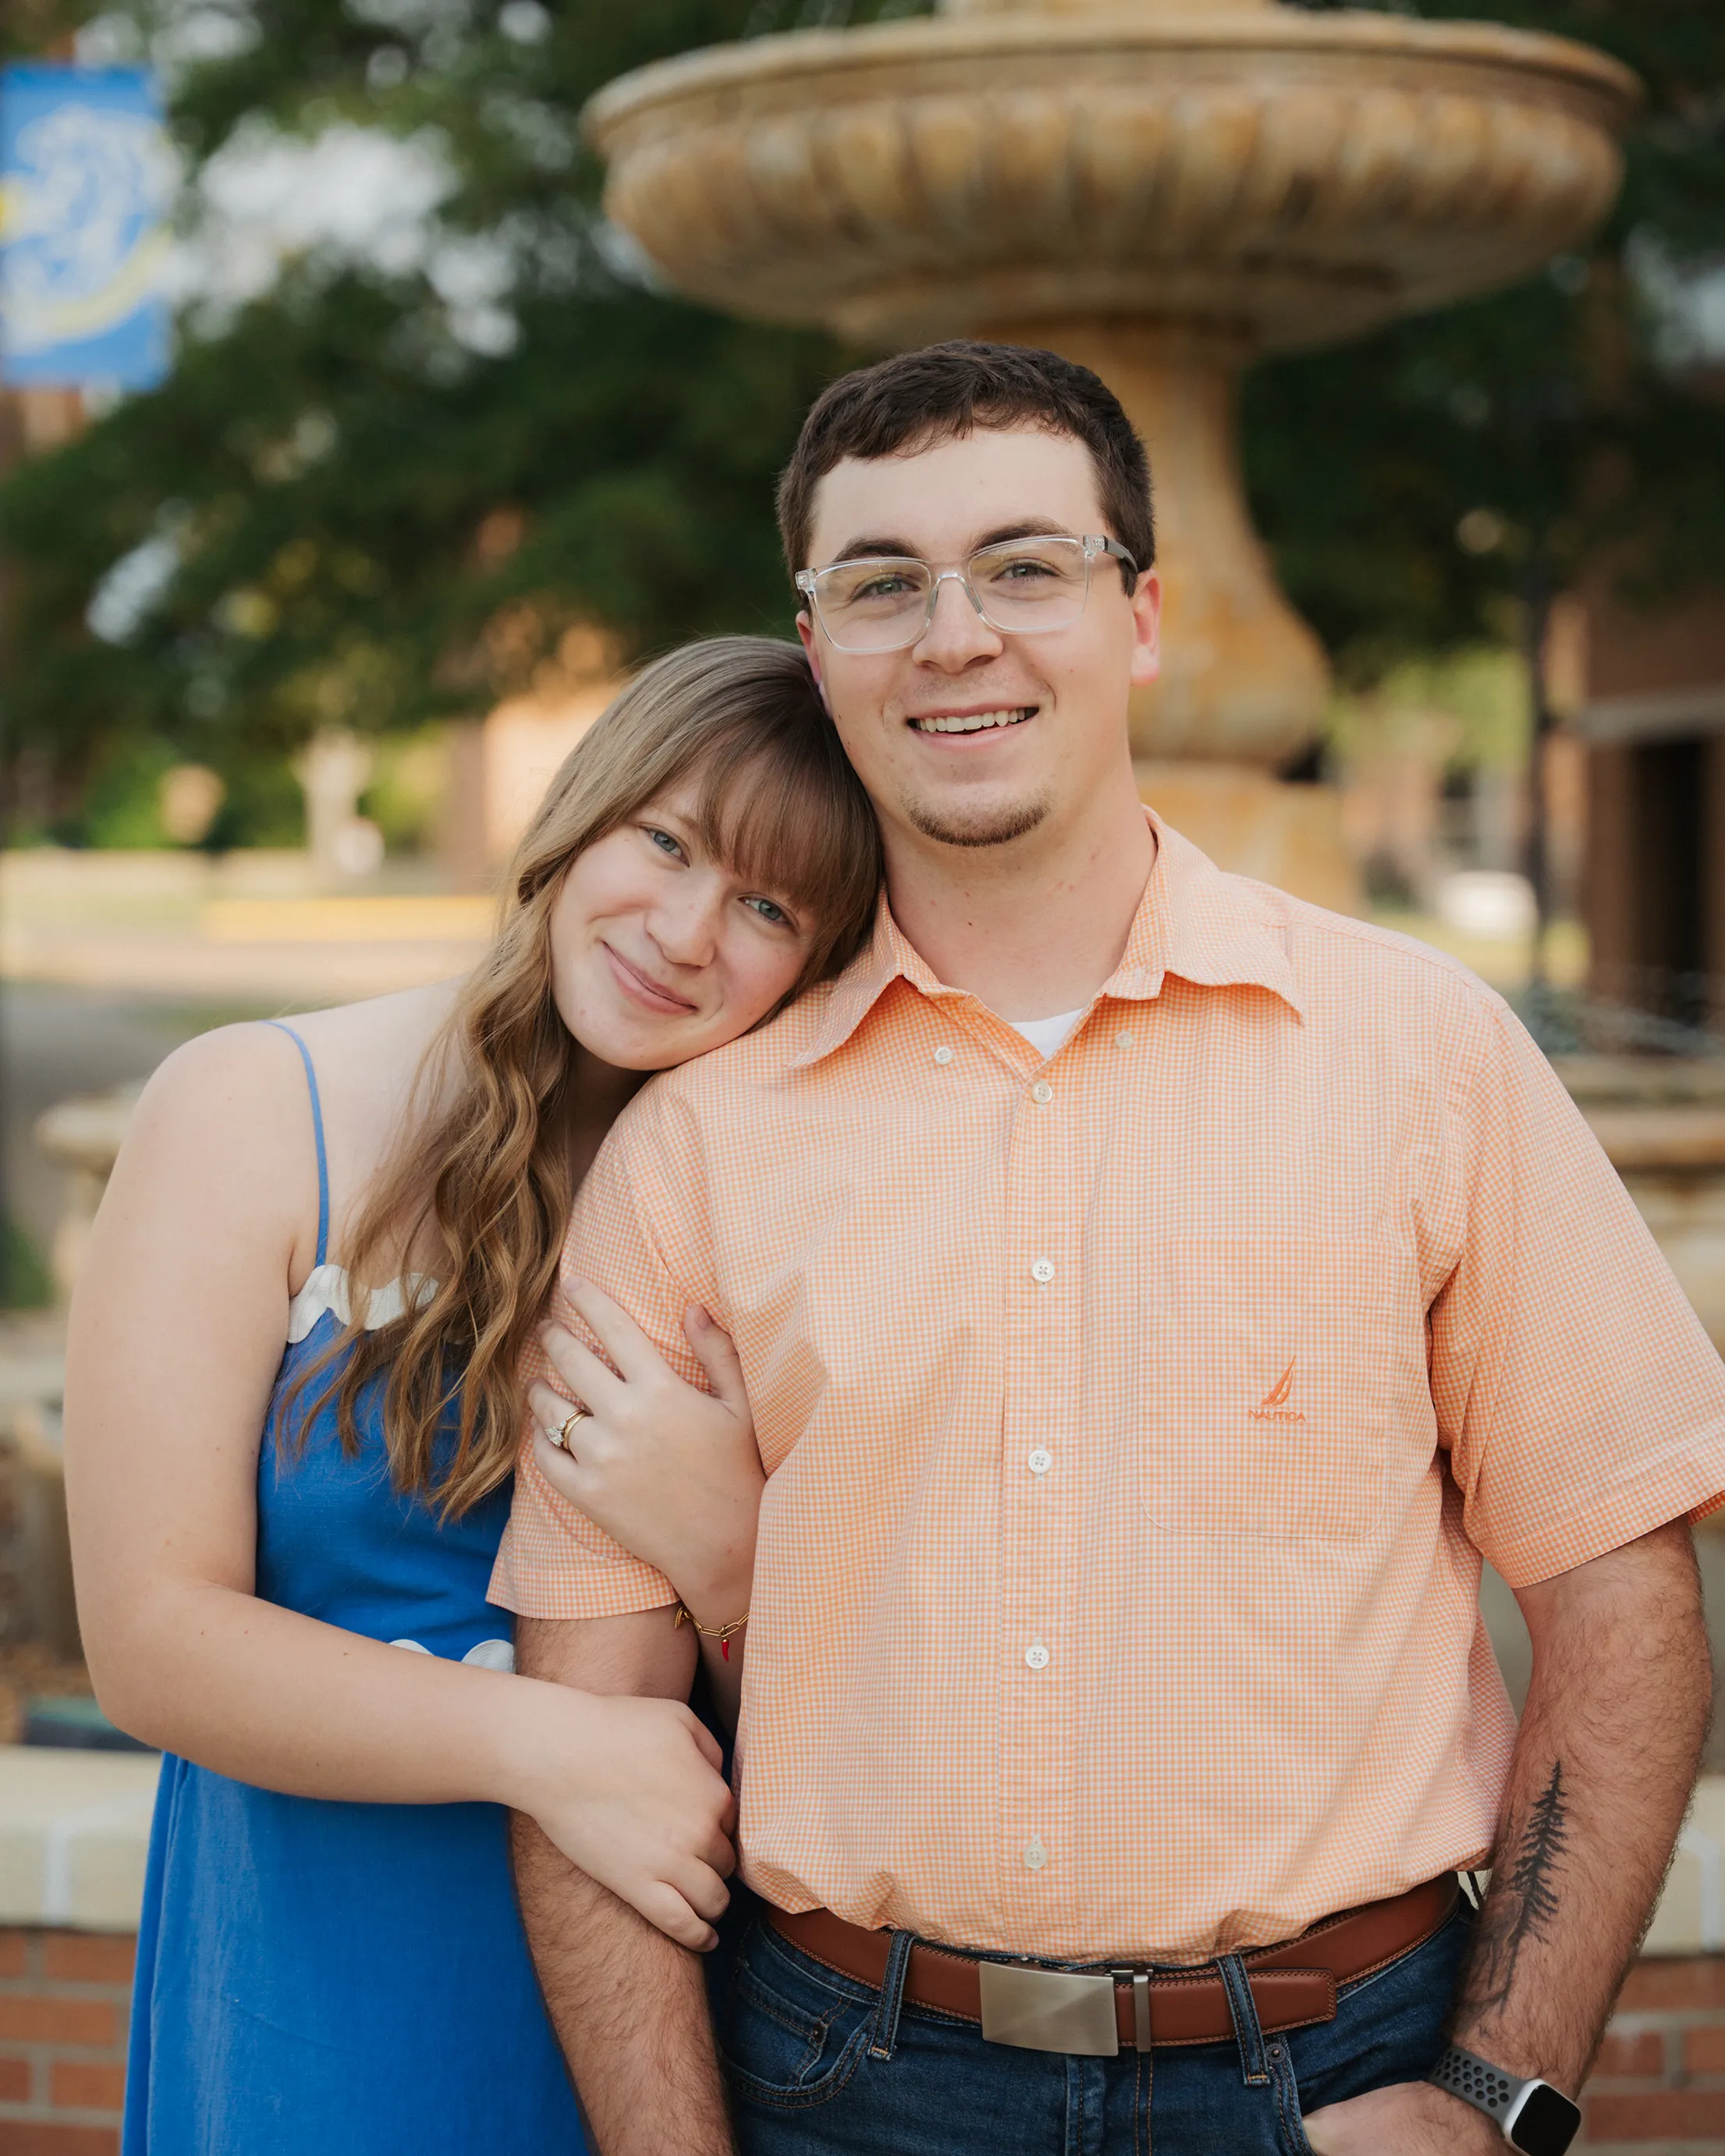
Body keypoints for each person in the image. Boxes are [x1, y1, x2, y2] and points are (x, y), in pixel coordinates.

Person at [496, 341, 1725, 2156]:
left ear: (1138, 618)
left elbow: (1620, 1608)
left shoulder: (1419, 1052)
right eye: (880, 584)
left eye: (1023, 565)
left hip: (1338, 2070)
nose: (954, 632)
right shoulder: (697, 1146)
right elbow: (583, 1766)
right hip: (848, 2081)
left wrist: (1495, 2097)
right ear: (819, 646)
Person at [63, 637, 882, 2156]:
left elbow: (891, 1715)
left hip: (675, 2014)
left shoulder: (782, 1224)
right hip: (324, 1987)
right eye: (669, 843)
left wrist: (728, 1558)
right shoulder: (251, 1110)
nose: (687, 930)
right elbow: (149, 1641)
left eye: (768, 906)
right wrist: (547, 1746)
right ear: (584, 811)